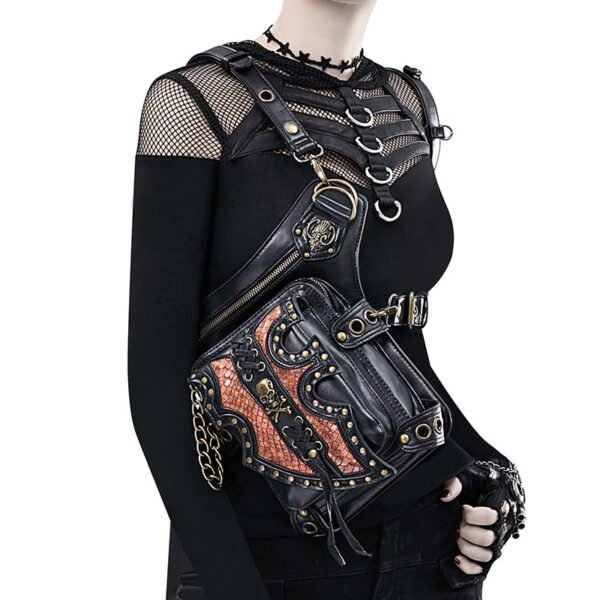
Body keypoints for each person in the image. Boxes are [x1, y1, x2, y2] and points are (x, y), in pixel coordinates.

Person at [127, 1, 526, 598]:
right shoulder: (198, 102)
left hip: (433, 551)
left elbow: (400, 347)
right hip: (266, 549)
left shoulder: (407, 103)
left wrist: (485, 470)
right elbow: (157, 383)